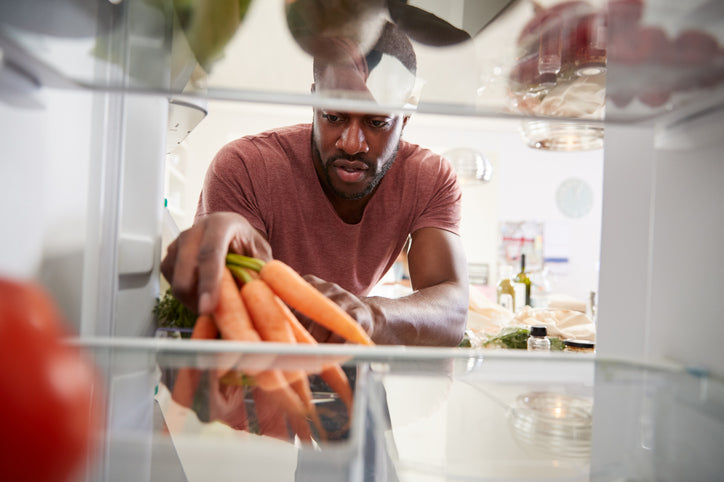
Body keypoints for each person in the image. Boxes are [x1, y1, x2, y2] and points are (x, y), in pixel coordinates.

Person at [161, 21, 469, 347]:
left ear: (406, 116)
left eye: (376, 122)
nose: (352, 144)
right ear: (314, 101)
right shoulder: (245, 166)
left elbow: (452, 311)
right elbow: (230, 308)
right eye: (333, 117)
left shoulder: (430, 177)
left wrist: (371, 315)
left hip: (347, 362)